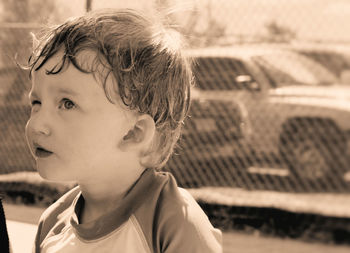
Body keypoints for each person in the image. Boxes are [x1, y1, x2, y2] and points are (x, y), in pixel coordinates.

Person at [25, 8, 222, 253]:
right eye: (36, 102)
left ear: (134, 133)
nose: (36, 125)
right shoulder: (52, 225)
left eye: (67, 104)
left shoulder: (173, 224)